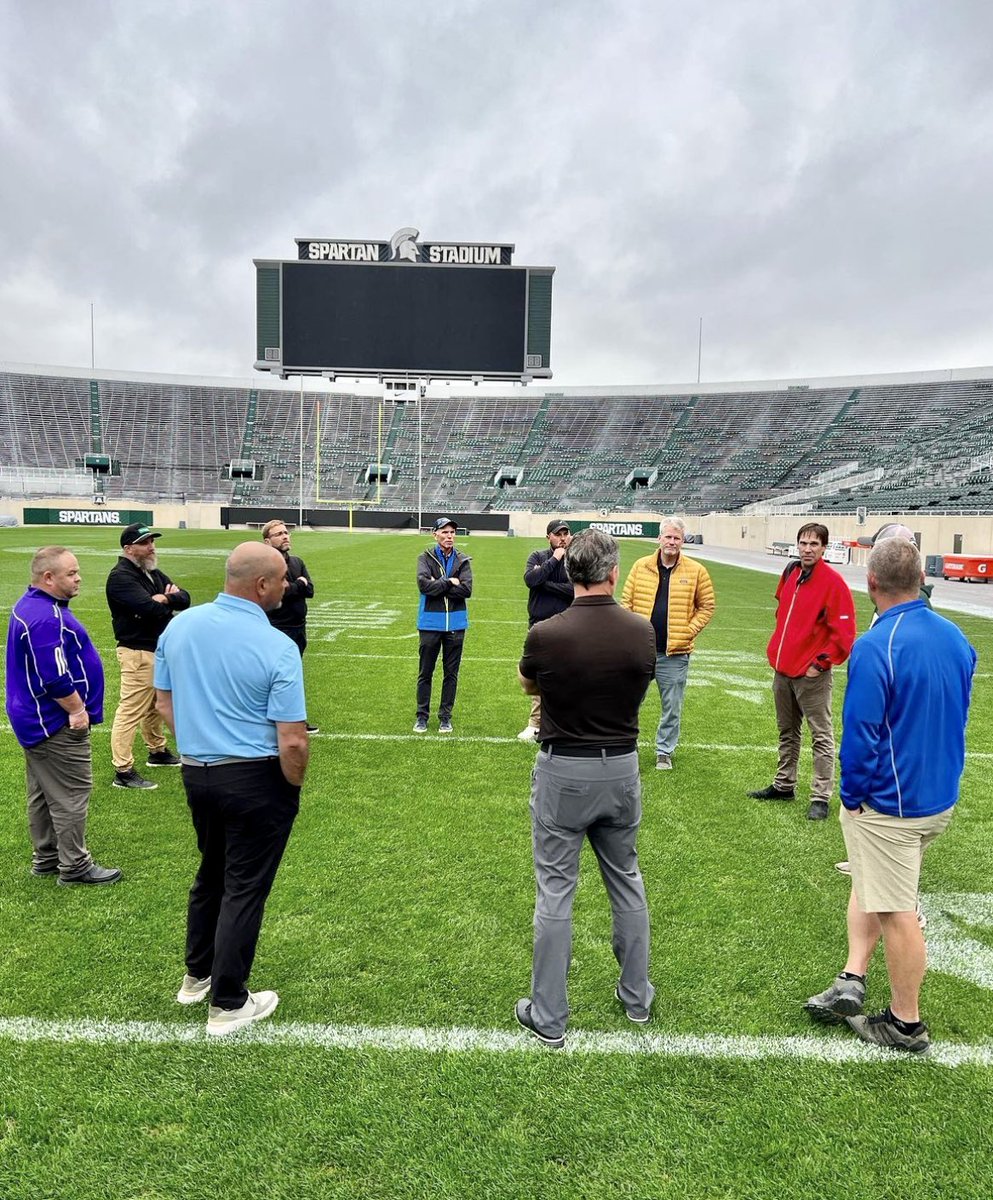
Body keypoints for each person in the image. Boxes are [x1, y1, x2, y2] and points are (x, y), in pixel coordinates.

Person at [805, 537, 975, 1053]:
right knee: (871, 880)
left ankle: (906, 1023)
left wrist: (854, 795)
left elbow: (860, 735)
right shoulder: (954, 636)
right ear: (922, 578)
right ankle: (852, 977)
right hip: (936, 795)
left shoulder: (879, 645)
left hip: (893, 804)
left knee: (897, 907)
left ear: (870, 582)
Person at [154, 542, 309, 1036]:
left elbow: (163, 704)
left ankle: (197, 976)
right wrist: (290, 787)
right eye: (282, 578)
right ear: (261, 585)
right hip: (254, 776)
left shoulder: (180, 625)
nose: (287, 585)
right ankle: (227, 1002)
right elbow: (293, 739)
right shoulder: (277, 645)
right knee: (244, 886)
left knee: (212, 874)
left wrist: (201, 745)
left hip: (198, 772)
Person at [515, 527, 657, 1048]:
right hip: (619, 767)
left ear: (570, 572)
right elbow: (640, 681)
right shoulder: (640, 631)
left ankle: (548, 1014)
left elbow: (528, 681)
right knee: (626, 879)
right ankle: (636, 995)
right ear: (613, 573)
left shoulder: (547, 633)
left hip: (564, 770)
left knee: (556, 890)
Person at [5, 546, 121, 886]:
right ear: (48, 578)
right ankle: (75, 866)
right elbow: (53, 676)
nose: (79, 577)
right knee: (71, 793)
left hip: (33, 718)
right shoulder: (45, 616)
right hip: (53, 721)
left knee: (42, 792)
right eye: (71, 573)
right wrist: (77, 709)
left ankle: (47, 857)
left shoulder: (34, 607)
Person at [748, 522, 856, 820]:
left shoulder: (833, 583)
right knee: (787, 731)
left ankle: (820, 796)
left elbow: (845, 634)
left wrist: (819, 664)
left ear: (823, 548)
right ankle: (784, 784)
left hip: (811, 675)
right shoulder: (791, 573)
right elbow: (782, 612)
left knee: (821, 734)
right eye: (803, 543)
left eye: (814, 544)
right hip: (783, 670)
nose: (808, 549)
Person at [620, 516, 715, 770]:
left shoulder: (696, 571)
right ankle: (625, 744)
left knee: (671, 706)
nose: (672, 542)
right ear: (659, 538)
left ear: (682, 541)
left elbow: (706, 607)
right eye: (668, 537)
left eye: (677, 538)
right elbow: (626, 603)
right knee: (629, 701)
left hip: (674, 653)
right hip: (640, 651)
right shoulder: (641, 566)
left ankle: (664, 751)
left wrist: (687, 631)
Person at [106, 523, 190, 790]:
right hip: (137, 651)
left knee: (155, 705)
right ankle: (123, 769)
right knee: (131, 710)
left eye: (152, 541)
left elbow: (185, 598)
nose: (151, 547)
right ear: (129, 548)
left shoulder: (150, 571)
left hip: (157, 649)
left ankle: (157, 751)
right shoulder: (121, 576)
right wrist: (164, 602)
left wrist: (165, 600)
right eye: (144, 543)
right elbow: (147, 608)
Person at [517, 519, 575, 742]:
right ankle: (535, 723)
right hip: (540, 626)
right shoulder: (538, 556)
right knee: (540, 675)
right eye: (558, 534)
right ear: (548, 537)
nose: (562, 538)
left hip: (567, 624)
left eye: (565, 533)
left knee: (568, 675)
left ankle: (563, 723)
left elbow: (574, 589)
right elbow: (531, 580)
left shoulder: (575, 559)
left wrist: (545, 583)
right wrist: (553, 560)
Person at [414, 517, 472, 734]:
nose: (449, 536)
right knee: (425, 672)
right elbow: (423, 585)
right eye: (445, 532)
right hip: (430, 622)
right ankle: (422, 716)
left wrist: (437, 584)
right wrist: (449, 582)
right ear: (435, 534)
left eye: (452, 533)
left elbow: (466, 590)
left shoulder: (463, 560)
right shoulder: (425, 558)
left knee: (451, 674)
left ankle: (445, 717)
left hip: (456, 623)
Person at [261, 519, 318, 733]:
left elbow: (310, 590)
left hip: (298, 627)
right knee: (275, 677)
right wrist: (298, 585)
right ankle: (275, 720)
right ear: (267, 541)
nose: (285, 536)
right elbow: (277, 593)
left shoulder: (296, 562)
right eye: (279, 534)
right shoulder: (266, 566)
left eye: (286, 532)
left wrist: (295, 586)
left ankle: (295, 719)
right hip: (276, 628)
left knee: (293, 676)